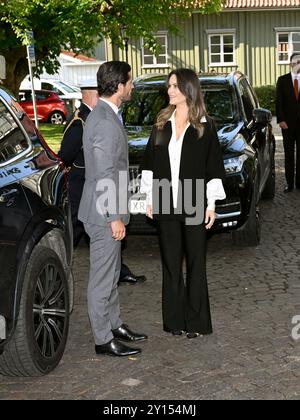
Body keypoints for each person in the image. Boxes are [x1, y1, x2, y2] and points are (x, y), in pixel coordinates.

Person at [140, 68, 226, 338]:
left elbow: (213, 167)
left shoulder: (204, 125)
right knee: (171, 263)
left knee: (196, 263)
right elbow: (150, 165)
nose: (170, 90)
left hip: (193, 198)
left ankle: (197, 323)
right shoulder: (162, 122)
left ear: (189, 89)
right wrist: (149, 197)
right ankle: (174, 321)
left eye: (175, 86)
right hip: (165, 198)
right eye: (169, 86)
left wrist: (210, 204)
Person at [78, 61, 147, 357]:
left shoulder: (107, 114)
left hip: (104, 210)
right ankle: (103, 339)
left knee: (112, 273)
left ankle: (114, 323)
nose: (131, 86)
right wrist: (114, 217)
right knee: (102, 278)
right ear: (119, 85)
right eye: (129, 82)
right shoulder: (105, 122)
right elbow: (105, 173)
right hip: (103, 213)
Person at [58, 79, 146, 284]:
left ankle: (118, 270)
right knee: (75, 231)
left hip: (96, 187)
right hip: (82, 186)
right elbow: (66, 155)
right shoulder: (81, 121)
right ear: (91, 94)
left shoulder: (97, 116)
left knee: (100, 236)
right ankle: (61, 265)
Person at [276, 52, 300, 193]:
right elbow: (279, 102)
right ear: (290, 63)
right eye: (295, 61)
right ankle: (289, 183)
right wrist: (281, 120)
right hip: (287, 124)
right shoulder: (283, 80)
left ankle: (299, 183)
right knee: (289, 154)